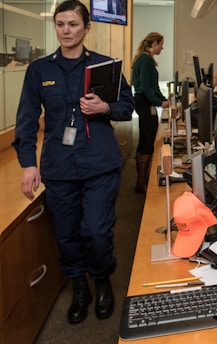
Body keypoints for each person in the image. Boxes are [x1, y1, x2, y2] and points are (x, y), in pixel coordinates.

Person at [12, 0, 134, 325]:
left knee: (96, 231)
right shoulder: (39, 70)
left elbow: (128, 107)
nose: (66, 30)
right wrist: (28, 163)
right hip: (59, 167)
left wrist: (104, 109)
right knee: (66, 235)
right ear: (56, 27)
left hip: (100, 165)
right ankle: (79, 287)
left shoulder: (106, 66)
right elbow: (26, 119)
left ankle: (102, 280)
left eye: (73, 24)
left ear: (86, 27)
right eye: (61, 24)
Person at [131, 32, 170, 193]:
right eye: (161, 44)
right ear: (154, 44)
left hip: (143, 102)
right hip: (145, 103)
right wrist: (160, 102)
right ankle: (141, 182)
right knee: (148, 139)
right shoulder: (146, 60)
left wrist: (164, 99)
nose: (162, 47)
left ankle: (142, 178)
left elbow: (152, 87)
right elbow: (147, 88)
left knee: (144, 138)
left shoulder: (143, 58)